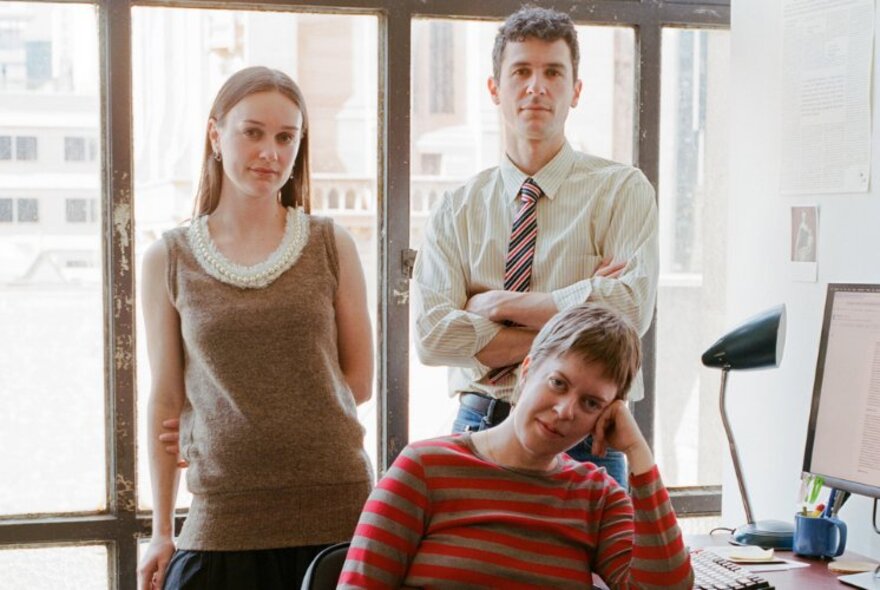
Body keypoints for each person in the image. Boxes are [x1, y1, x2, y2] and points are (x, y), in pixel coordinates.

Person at [136, 66, 374, 590]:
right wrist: (159, 530)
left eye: (286, 137)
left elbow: (358, 382)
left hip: (337, 507)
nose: (270, 152)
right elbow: (165, 402)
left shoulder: (332, 245)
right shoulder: (168, 259)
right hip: (223, 517)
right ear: (215, 135)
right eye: (253, 132)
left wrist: (249, 416)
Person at [413, 6, 659, 488]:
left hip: (586, 438)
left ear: (576, 90)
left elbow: (629, 310)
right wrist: (582, 331)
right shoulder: (456, 209)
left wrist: (501, 306)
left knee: (590, 569)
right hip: (481, 426)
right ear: (494, 89)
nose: (536, 87)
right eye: (521, 71)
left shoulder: (621, 191)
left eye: (553, 73)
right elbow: (431, 335)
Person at [339, 304, 692, 589]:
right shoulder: (424, 468)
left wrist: (637, 451)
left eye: (590, 403)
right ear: (527, 371)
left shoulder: (596, 497)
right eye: (557, 382)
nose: (564, 410)